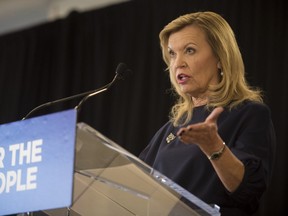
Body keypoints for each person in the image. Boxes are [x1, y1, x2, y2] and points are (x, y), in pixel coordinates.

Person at [139, 11, 276, 216]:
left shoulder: (249, 114)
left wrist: (213, 146)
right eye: (172, 54)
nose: (178, 63)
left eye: (190, 50)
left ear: (221, 58)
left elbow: (249, 191)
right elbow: (134, 186)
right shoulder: (169, 129)